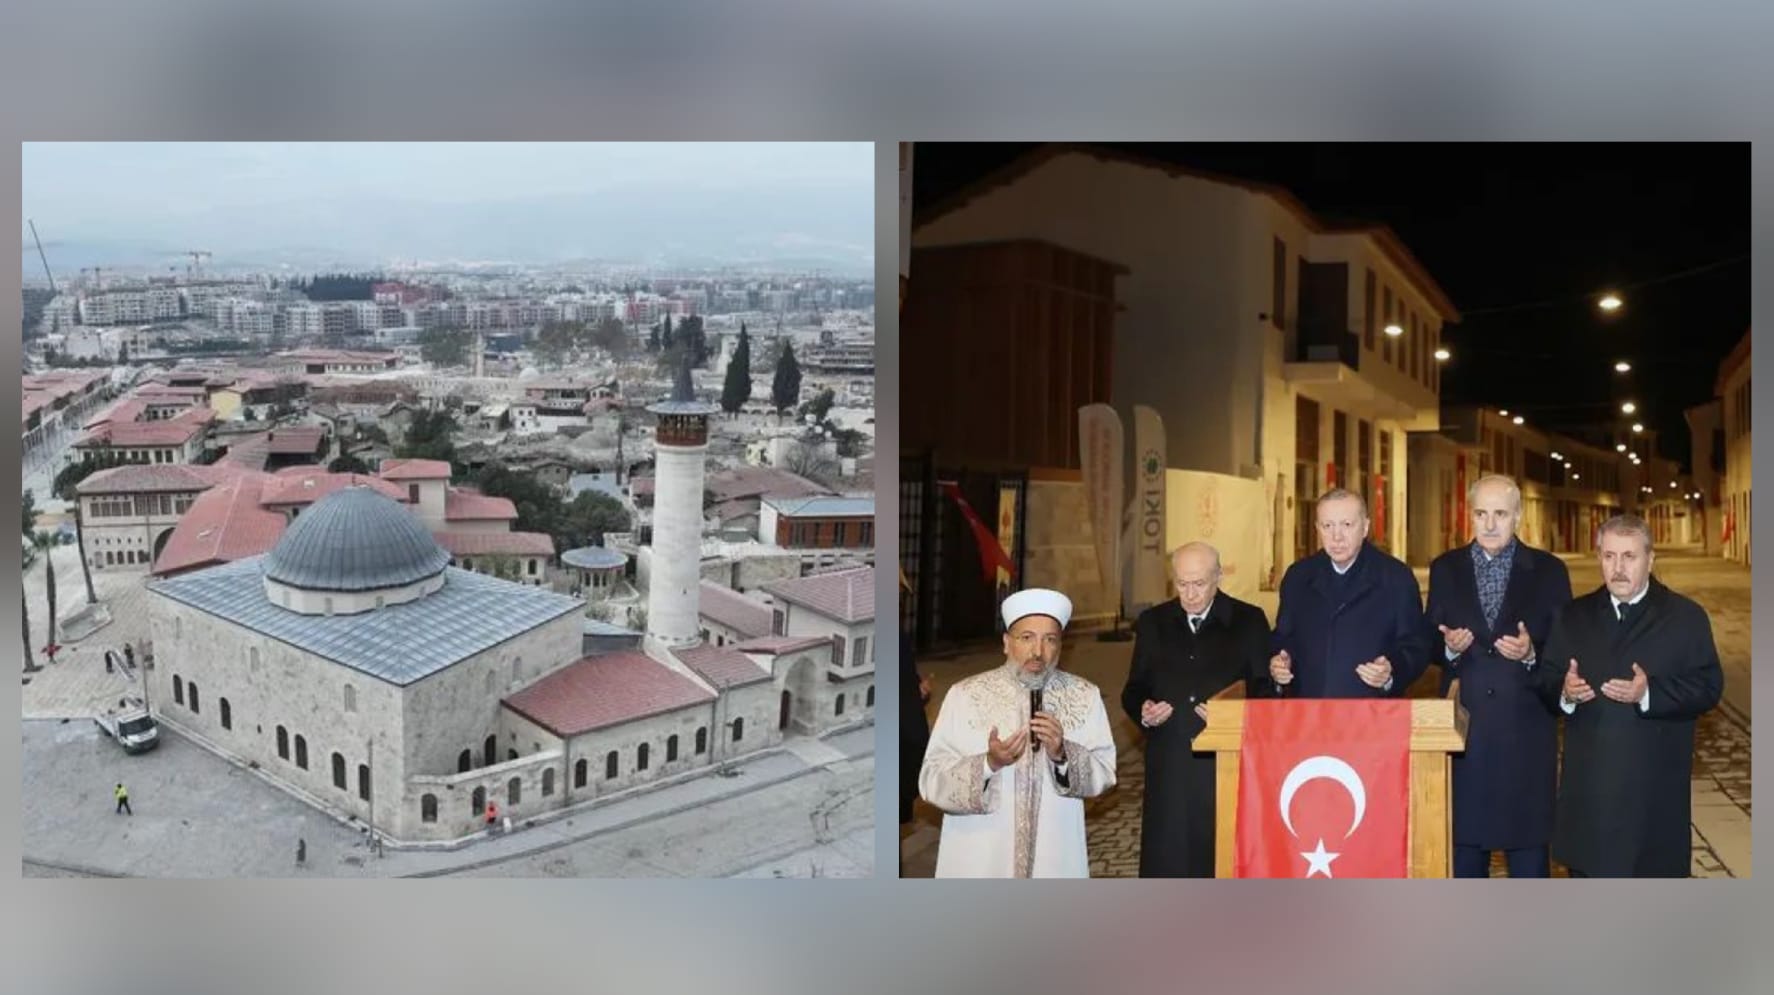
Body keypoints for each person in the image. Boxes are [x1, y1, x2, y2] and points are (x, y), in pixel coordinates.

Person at [1536, 514, 1723, 877]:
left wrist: (1649, 692)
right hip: (1591, 795)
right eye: (1609, 556)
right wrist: (1565, 691)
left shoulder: (1685, 617)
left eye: (1629, 556)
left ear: (1650, 559)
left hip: (1654, 796)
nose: (1618, 568)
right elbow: (1546, 680)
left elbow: (1709, 687)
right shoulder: (1572, 616)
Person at [1424, 474, 1573, 878]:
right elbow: (1427, 642)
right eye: (1481, 514)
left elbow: (1566, 650)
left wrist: (1531, 653)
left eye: (1501, 514)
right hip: (1465, 739)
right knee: (1464, 861)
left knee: (1529, 864)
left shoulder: (1549, 571)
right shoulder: (1445, 569)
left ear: (1518, 517)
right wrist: (1449, 647)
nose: (1490, 525)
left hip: (1525, 735)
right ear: (1469, 515)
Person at [918, 587, 1117, 877]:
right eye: (1027, 638)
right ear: (1006, 643)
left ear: (1061, 646)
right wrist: (989, 763)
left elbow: (1105, 773)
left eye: (1049, 639)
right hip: (980, 860)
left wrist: (1063, 755)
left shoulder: (1084, 695)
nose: (1038, 651)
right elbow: (930, 780)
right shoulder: (965, 695)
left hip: (1055, 858)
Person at [1121, 542, 1271, 877]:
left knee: (1221, 856)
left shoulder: (1249, 621)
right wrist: (1144, 709)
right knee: (1169, 859)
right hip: (1171, 763)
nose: (1189, 594)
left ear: (1218, 577)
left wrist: (1233, 717)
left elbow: (1265, 691)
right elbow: (1133, 688)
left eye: (1199, 584)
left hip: (1224, 764)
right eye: (1182, 584)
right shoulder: (1153, 622)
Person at [1267, 488, 1429, 698]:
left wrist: (1391, 672)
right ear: (1317, 529)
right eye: (1327, 526)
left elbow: (1416, 645)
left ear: (1365, 527)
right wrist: (1281, 661)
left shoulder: (1396, 578)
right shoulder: (1298, 577)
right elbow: (1283, 636)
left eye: (1347, 525)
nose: (1337, 537)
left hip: (1372, 709)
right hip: (1310, 709)